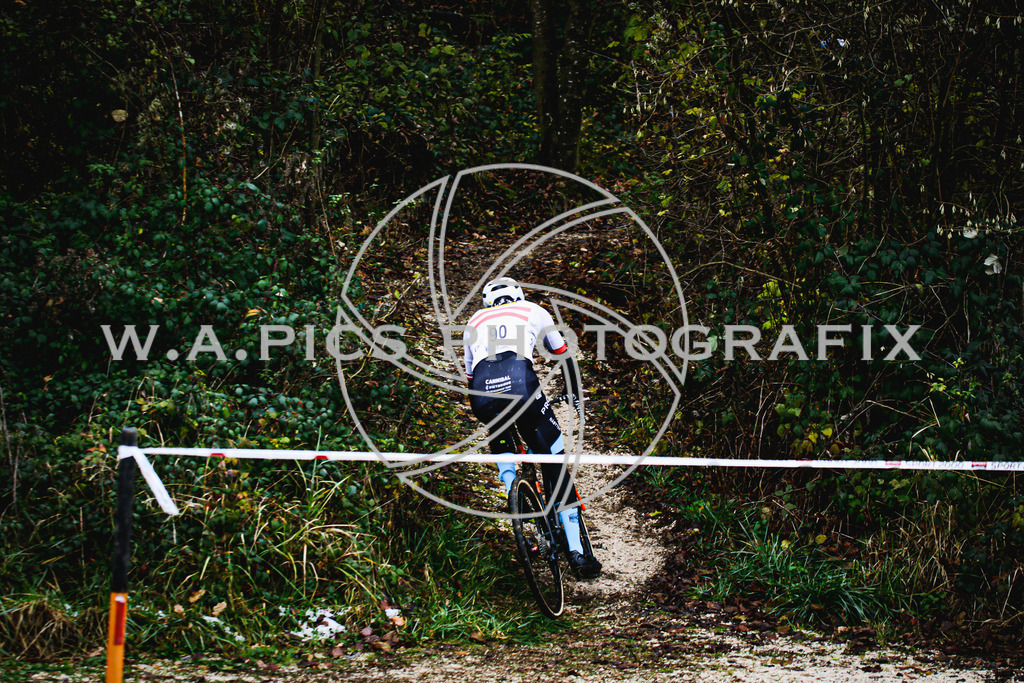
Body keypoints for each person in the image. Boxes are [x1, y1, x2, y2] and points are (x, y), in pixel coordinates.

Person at [462, 276, 602, 579]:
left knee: (497, 428)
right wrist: (575, 394)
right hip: (521, 384)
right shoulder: (533, 310)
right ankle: (577, 552)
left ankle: (512, 489)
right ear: (518, 295)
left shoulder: (474, 319)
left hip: (483, 393)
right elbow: (564, 356)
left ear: (486, 302)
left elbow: (470, 378)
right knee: (554, 463)